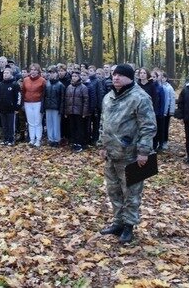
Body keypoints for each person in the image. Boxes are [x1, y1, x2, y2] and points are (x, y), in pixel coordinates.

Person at [99, 63, 157, 244]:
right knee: (114, 191)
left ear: (130, 77)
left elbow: (148, 127)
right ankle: (118, 222)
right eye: (114, 75)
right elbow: (103, 122)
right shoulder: (108, 97)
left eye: (120, 75)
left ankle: (129, 226)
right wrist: (101, 145)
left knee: (132, 193)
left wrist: (144, 151)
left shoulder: (140, 98)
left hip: (132, 156)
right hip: (111, 154)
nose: (115, 77)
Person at [64, 71, 89, 152]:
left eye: (76, 76)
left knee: (79, 128)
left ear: (79, 77)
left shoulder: (83, 87)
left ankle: (80, 143)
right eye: (73, 76)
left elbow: (86, 101)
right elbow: (67, 100)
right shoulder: (69, 87)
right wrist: (66, 111)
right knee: (72, 127)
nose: (74, 77)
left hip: (79, 112)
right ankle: (74, 142)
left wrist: (84, 112)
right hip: (71, 112)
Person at [22, 63, 46, 147]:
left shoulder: (42, 80)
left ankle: (38, 139)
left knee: (38, 122)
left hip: (38, 103)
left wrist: (43, 105)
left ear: (38, 71)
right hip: (27, 103)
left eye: (35, 70)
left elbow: (44, 93)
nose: (33, 71)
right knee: (30, 122)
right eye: (31, 70)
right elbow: (23, 91)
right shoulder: (25, 80)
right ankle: (32, 139)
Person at [0, 68, 21, 146]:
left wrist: (17, 107)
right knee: (4, 125)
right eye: (4, 73)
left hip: (11, 109)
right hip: (2, 108)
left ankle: (11, 139)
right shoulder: (1, 84)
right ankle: (5, 139)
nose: (5, 74)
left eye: (7, 73)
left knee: (11, 125)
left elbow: (18, 97)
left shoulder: (15, 84)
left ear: (11, 74)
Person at [43, 66, 65, 147]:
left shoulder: (60, 85)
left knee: (56, 124)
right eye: (50, 73)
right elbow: (44, 96)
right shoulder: (47, 84)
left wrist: (61, 109)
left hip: (56, 108)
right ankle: (51, 139)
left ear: (57, 74)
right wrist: (43, 107)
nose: (51, 74)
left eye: (53, 73)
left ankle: (56, 140)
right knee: (49, 124)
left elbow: (62, 99)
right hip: (48, 107)